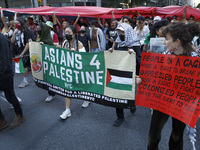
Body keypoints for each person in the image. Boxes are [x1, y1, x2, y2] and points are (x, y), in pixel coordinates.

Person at [147, 22, 200, 150]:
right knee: (153, 136)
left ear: (177, 42)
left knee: (177, 136)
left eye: (166, 39)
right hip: (162, 101)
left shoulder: (195, 61)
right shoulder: (164, 57)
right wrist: (143, 79)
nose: (164, 42)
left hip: (182, 104)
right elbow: (155, 78)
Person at [109, 23, 142, 127]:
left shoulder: (135, 44)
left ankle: (131, 105)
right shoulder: (117, 43)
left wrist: (133, 54)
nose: (120, 33)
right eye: (119, 31)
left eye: (123, 32)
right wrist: (111, 52)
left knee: (128, 93)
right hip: (118, 72)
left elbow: (140, 61)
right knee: (117, 94)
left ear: (128, 32)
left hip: (130, 73)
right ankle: (120, 117)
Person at [60, 25, 90, 120]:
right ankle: (67, 110)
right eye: (65, 32)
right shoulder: (64, 42)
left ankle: (86, 98)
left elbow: (84, 59)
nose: (66, 34)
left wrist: (75, 54)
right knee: (67, 88)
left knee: (82, 86)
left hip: (78, 70)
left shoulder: (79, 44)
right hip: (68, 70)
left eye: (69, 33)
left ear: (74, 34)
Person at [0, 32, 25, 130]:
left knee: (10, 96)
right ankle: (2, 120)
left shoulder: (2, 40)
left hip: (5, 74)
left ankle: (20, 115)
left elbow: (4, 60)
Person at [36, 22, 57, 102]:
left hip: (49, 61)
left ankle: (51, 94)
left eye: (39, 28)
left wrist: (44, 45)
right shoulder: (39, 36)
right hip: (41, 60)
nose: (38, 30)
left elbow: (53, 46)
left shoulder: (48, 37)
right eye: (37, 28)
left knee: (49, 78)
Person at [11, 17, 32, 88]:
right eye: (15, 23)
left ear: (21, 23)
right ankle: (25, 79)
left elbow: (27, 43)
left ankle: (25, 80)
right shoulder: (16, 31)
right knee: (22, 65)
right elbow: (12, 41)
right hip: (18, 50)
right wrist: (14, 33)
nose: (16, 24)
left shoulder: (25, 31)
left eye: (18, 23)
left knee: (24, 65)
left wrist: (23, 53)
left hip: (25, 50)